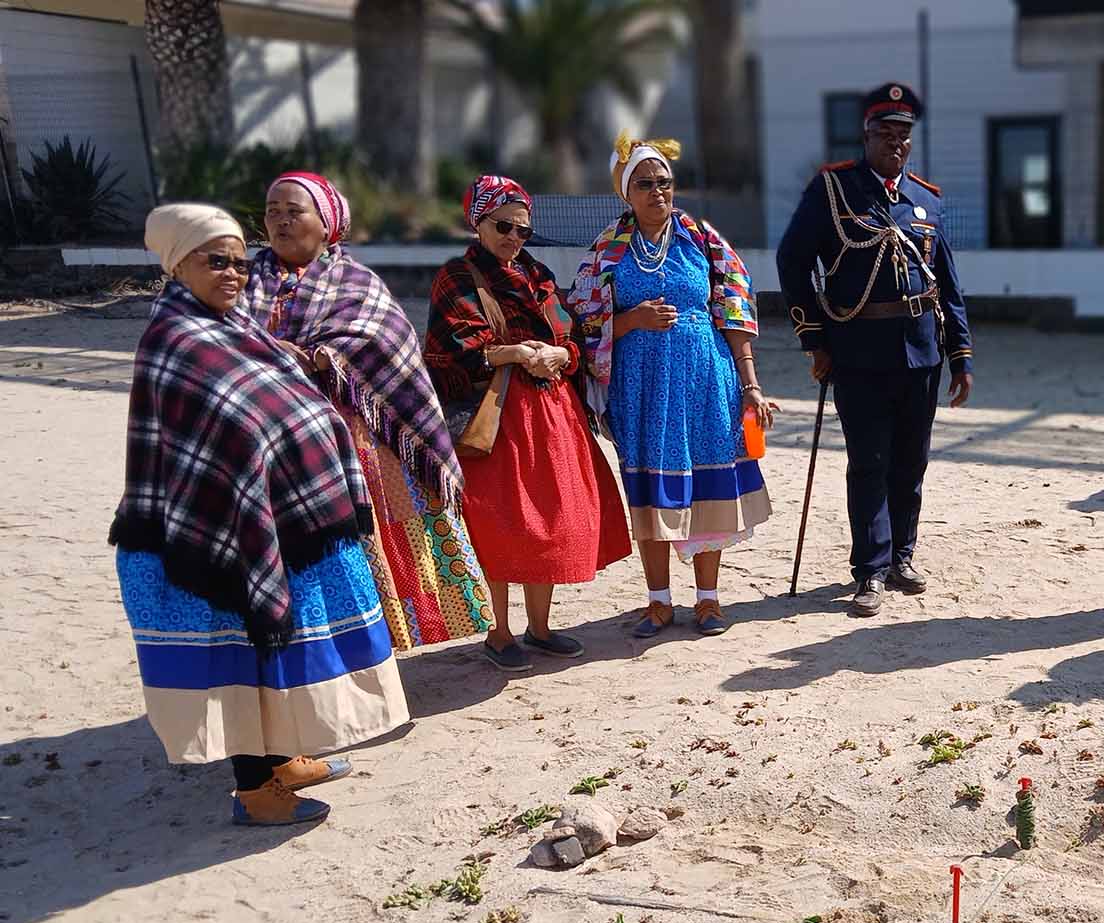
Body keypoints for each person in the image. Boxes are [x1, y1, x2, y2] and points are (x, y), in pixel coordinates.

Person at [113, 204, 409, 826]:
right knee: (242, 649)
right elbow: (226, 434)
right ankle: (255, 790)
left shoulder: (234, 325)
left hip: (278, 521)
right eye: (214, 260)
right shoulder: (176, 340)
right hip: (220, 529)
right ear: (177, 264)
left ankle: (282, 757)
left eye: (240, 264)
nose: (232, 273)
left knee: (278, 642)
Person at [241, 171, 495, 653]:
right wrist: (270, 352)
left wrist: (323, 357)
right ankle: (304, 660)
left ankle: (366, 656)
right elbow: (224, 344)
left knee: (361, 551)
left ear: (328, 222)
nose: (280, 221)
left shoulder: (356, 283)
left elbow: (386, 344)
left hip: (350, 446)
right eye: (273, 211)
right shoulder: (246, 284)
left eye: (294, 211)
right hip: (267, 444)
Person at [775, 81, 974, 617]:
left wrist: (961, 352)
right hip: (858, 353)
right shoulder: (833, 190)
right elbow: (793, 262)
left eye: (903, 134)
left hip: (921, 353)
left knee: (911, 463)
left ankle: (901, 557)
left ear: (912, 141)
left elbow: (945, 281)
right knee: (870, 462)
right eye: (884, 132)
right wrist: (813, 338)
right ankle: (868, 570)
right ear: (866, 136)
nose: (895, 142)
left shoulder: (925, 199)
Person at [567, 134, 775, 638]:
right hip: (641, 386)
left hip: (706, 377)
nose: (657, 191)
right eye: (644, 184)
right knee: (650, 486)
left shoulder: (700, 239)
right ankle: (658, 602)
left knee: (709, 480)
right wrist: (630, 319)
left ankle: (708, 601)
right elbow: (581, 317)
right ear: (625, 193)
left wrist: (750, 384)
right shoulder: (607, 252)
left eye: (664, 182)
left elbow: (734, 305)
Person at [424, 175, 630, 672]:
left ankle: (540, 627)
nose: (514, 238)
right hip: (496, 419)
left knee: (552, 520)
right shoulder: (457, 276)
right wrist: (513, 352)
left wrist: (561, 352)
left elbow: (573, 334)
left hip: (552, 414)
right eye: (503, 226)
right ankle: (498, 633)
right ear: (478, 223)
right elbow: (453, 351)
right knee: (498, 523)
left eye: (522, 230)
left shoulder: (536, 274)